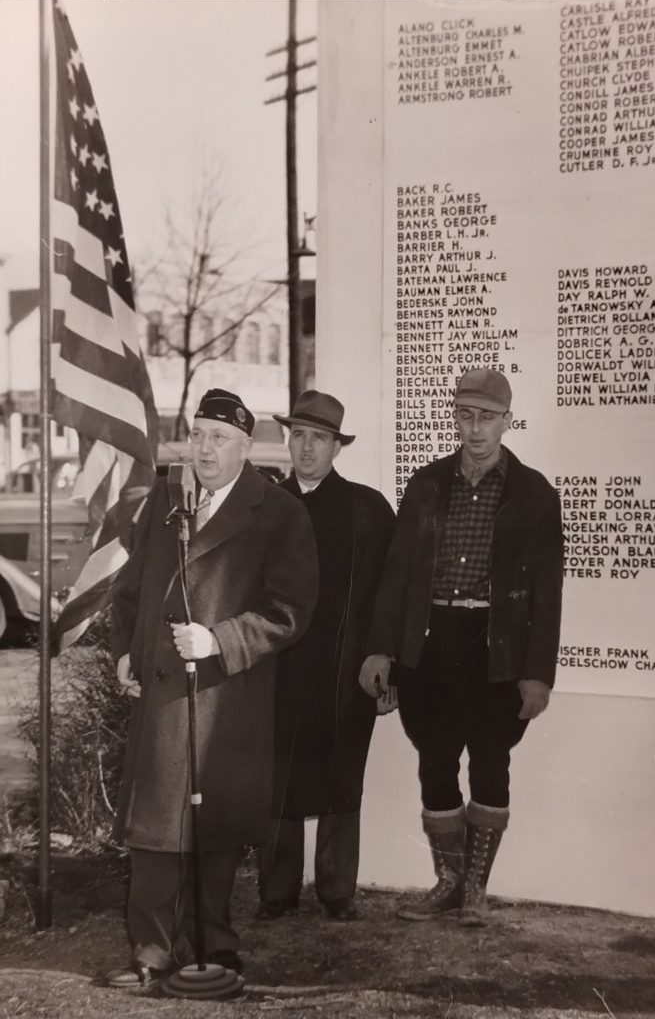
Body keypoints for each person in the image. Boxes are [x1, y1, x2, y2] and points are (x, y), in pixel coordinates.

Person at [107, 388, 318, 987]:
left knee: (214, 826)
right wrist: (125, 648)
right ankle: (150, 951)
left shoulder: (278, 512)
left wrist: (221, 640)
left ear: (247, 448)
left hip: (227, 695)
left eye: (219, 438)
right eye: (198, 434)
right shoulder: (166, 500)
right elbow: (131, 587)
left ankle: (214, 946)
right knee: (154, 825)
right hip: (163, 694)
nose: (204, 447)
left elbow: (291, 610)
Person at [359, 368, 563, 925]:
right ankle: (447, 882)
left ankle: (475, 889)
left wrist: (537, 673)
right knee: (435, 760)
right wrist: (382, 650)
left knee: (492, 762)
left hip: (497, 649)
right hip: (431, 644)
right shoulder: (425, 485)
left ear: (507, 421)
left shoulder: (535, 495)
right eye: (466, 416)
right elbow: (397, 578)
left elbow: (548, 596)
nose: (475, 430)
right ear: (455, 416)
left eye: (487, 418)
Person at [257, 390, 395, 921]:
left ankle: (337, 891)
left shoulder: (367, 509)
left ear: (338, 446)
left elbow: (388, 593)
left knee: (342, 774)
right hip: (279, 667)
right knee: (277, 775)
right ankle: (276, 890)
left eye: (319, 438)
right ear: (287, 441)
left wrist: (386, 661)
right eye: (299, 436)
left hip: (345, 669)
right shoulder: (267, 504)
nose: (307, 447)